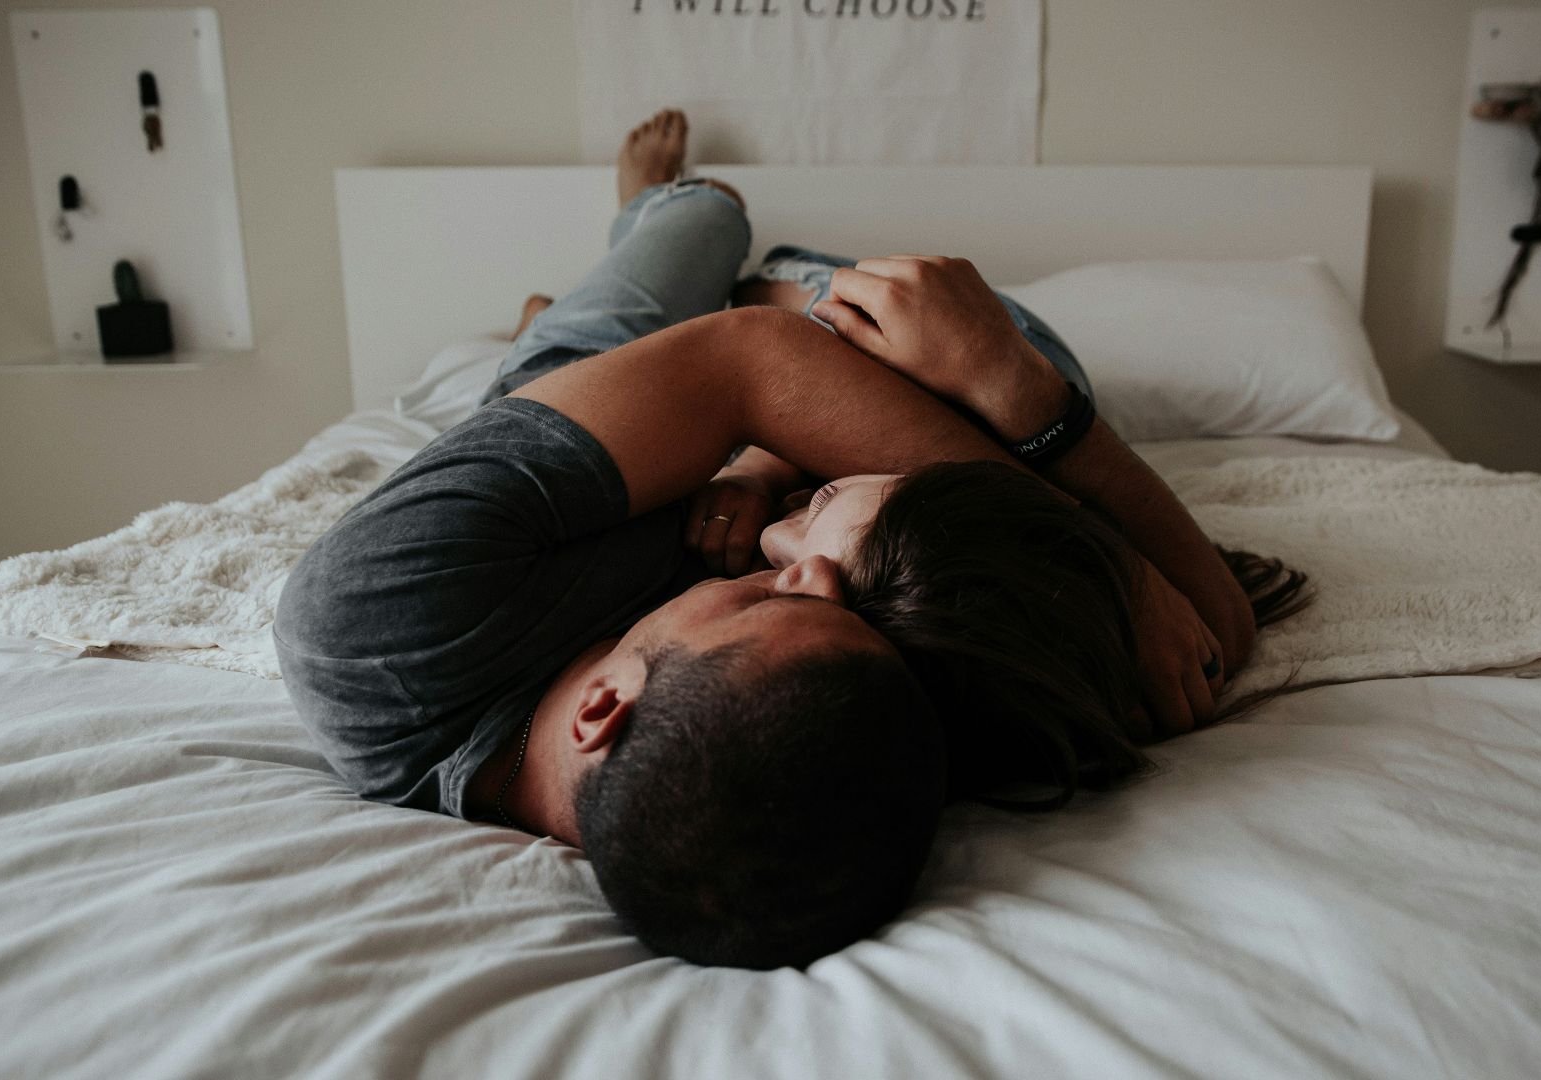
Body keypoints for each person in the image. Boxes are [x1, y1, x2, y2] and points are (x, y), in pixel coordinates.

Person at [274, 109, 1290, 968]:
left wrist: (766, 433)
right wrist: (1058, 463)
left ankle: (631, 250)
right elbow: (1209, 634)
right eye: (827, 600)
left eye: (768, 601)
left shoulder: (370, 625)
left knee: (706, 218)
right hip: (774, 399)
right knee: (1002, 352)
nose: (802, 571)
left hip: (583, 399)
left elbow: (750, 362)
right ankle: (739, 279)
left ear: (601, 707)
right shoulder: (858, 735)